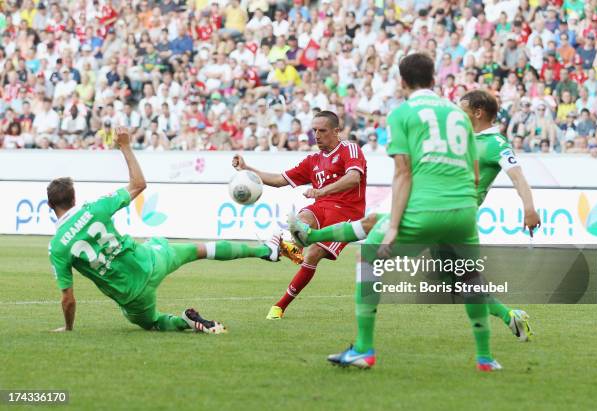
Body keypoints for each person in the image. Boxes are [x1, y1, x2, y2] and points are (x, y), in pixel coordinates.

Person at [289, 54, 538, 371]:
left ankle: (364, 348)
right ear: (434, 78)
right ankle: (486, 357)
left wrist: (396, 224)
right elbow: (474, 174)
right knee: (467, 281)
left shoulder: (403, 114)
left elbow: (403, 173)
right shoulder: (457, 115)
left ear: (403, 82)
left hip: (425, 207)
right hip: (463, 213)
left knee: (369, 255)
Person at [47, 128, 290, 333]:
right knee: (196, 248)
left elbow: (68, 299)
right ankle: (264, 250)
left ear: (50, 205)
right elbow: (139, 185)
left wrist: (68, 328)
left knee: (153, 322)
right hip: (152, 261)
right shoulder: (95, 208)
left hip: (132, 296)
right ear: (74, 198)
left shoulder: (58, 245)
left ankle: (184, 321)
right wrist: (125, 147)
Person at [232, 111, 367, 320]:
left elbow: (354, 178)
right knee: (300, 219)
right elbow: (278, 179)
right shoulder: (313, 160)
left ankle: (280, 306)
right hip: (321, 206)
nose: (317, 135)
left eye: (322, 130)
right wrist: (247, 168)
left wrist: (322, 191)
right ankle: (292, 247)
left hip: (347, 212)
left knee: (313, 254)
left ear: (336, 131)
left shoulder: (349, 149)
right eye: (314, 130)